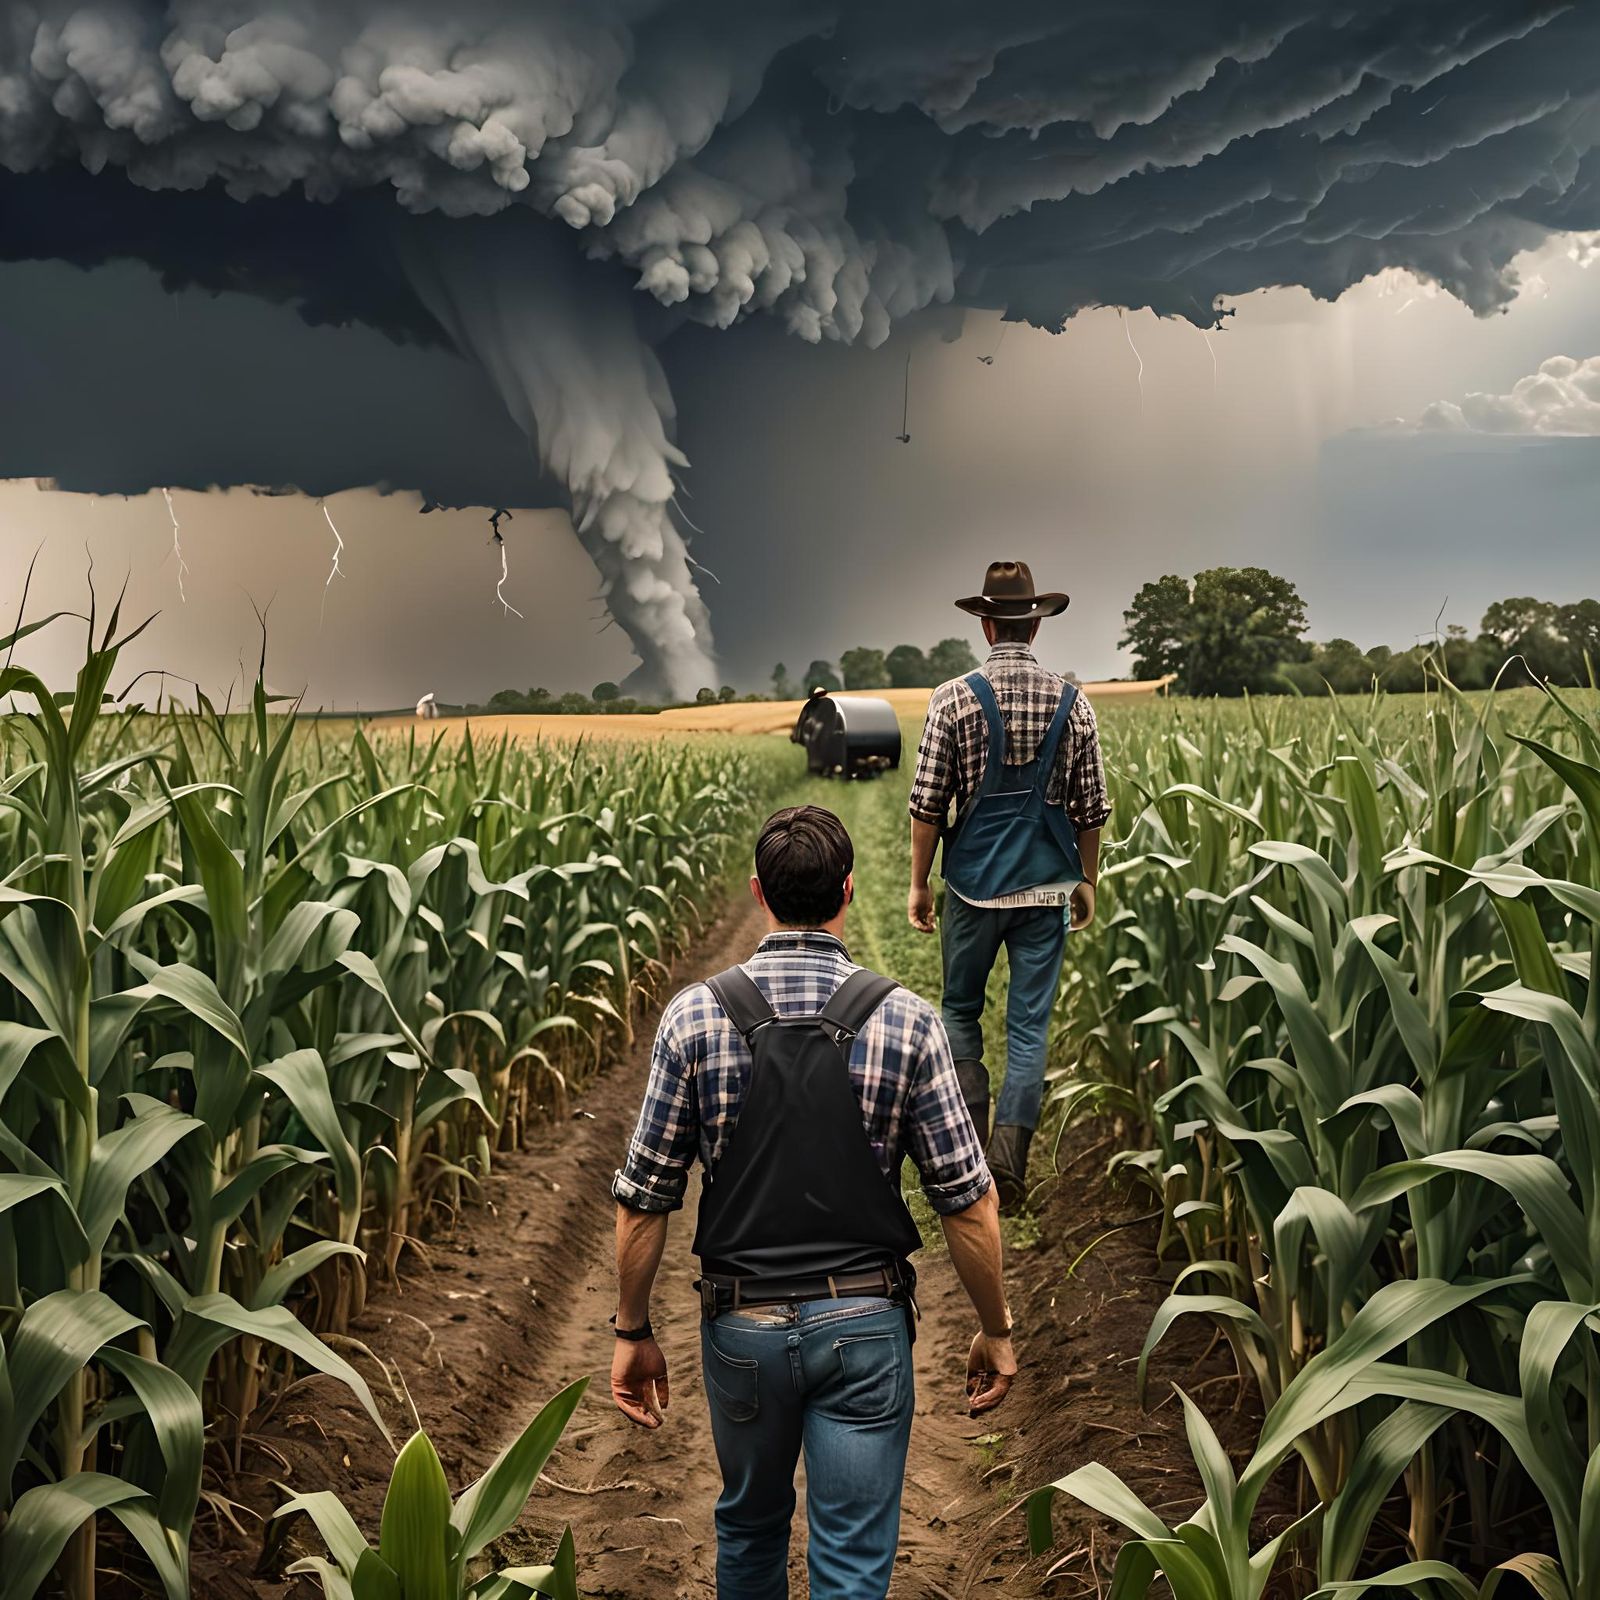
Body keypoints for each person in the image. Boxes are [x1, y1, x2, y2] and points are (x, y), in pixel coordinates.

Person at [610, 805, 1015, 1600]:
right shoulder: (908, 1021)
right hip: (864, 1327)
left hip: (741, 1329)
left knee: (751, 1528)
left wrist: (633, 1330)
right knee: (853, 1561)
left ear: (759, 893)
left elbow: (644, 1201)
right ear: (850, 891)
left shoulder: (693, 1018)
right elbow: (967, 1206)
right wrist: (995, 1329)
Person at [907, 560, 1109, 1212]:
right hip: (1046, 889)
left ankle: (968, 1154)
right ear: (1036, 623)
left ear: (987, 625)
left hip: (970, 888)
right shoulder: (1074, 704)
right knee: (1027, 1027)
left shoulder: (954, 698)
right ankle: (1009, 1165)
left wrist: (919, 884)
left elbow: (928, 807)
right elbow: (1091, 809)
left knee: (961, 1009)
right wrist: (1087, 880)